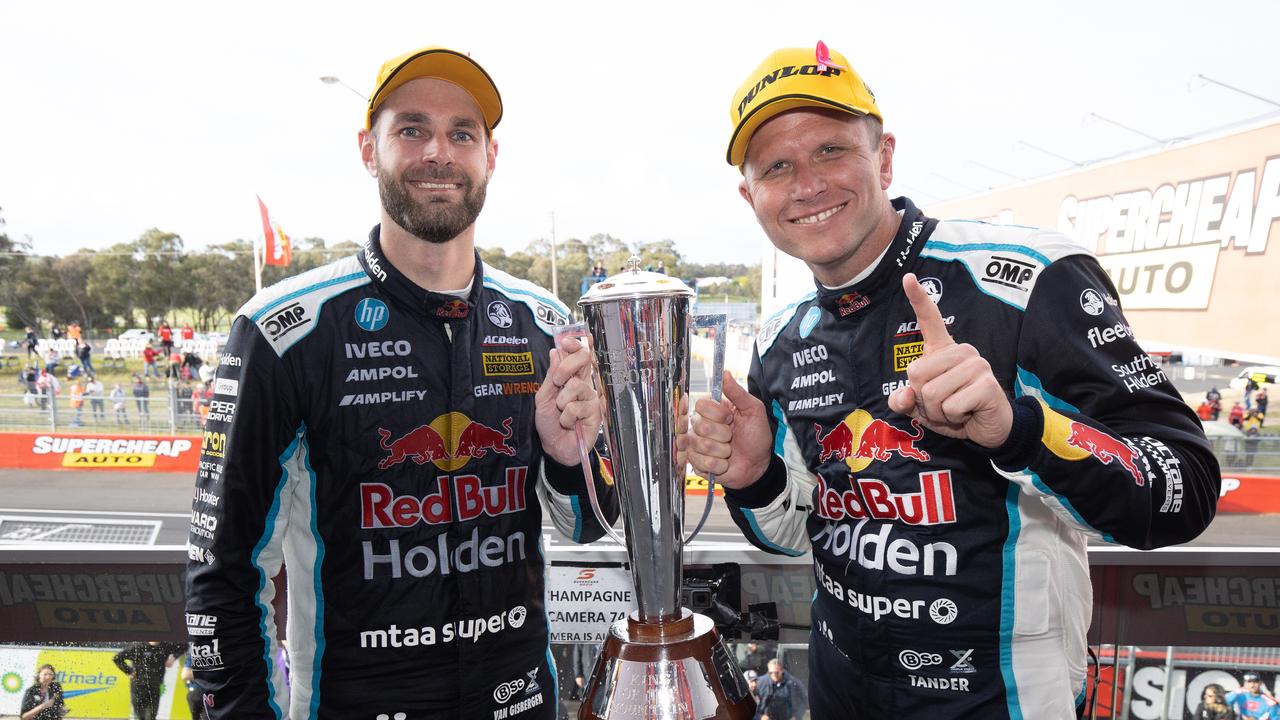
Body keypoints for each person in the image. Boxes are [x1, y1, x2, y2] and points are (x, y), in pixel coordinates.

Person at [688, 41, 1221, 719]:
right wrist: (757, 475)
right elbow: (797, 535)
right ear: (751, 194)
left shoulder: (1029, 280)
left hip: (999, 699)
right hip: (838, 692)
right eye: (777, 167)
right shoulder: (780, 334)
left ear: (883, 157)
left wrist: (1020, 431)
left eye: (830, 151)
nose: (807, 185)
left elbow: (1185, 489)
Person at [184, 44, 619, 720]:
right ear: (369, 149)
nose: (438, 152)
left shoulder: (544, 324)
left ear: (490, 157)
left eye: (462, 133)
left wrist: (571, 460)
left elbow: (590, 524)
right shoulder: (283, 332)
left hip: (519, 702)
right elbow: (222, 574)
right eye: (411, 129)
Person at [113, 641, 180, 720]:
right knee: (140, 715)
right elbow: (117, 658)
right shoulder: (138, 647)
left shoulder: (165, 646)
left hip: (154, 686)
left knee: (151, 716)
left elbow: (183, 646)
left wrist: (173, 657)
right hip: (139, 686)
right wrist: (129, 671)